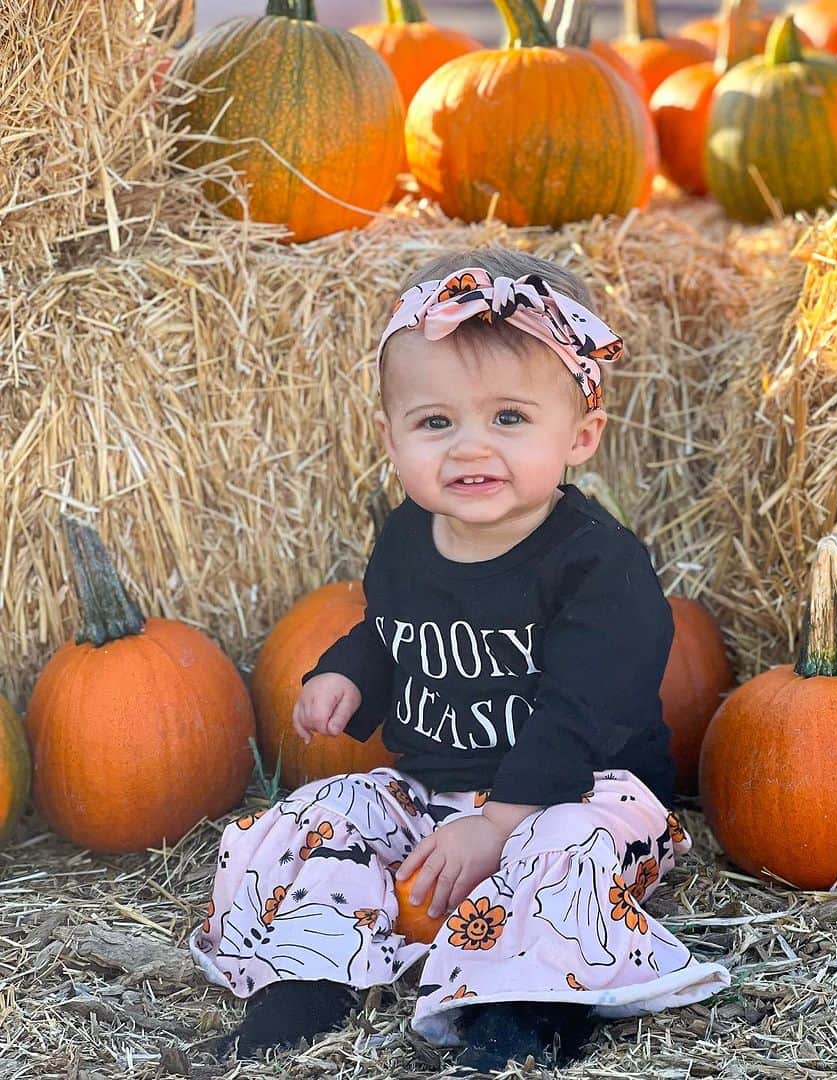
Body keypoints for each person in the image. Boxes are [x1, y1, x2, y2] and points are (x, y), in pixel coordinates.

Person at [189, 248, 731, 1071]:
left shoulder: (599, 567)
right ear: (391, 435)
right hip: (431, 795)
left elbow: (580, 715)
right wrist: (346, 671)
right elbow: (393, 627)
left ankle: (522, 1014)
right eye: (436, 422)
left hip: (575, 794)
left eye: (509, 419)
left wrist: (498, 825)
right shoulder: (409, 538)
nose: (471, 448)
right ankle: (307, 980)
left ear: (581, 435)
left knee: (569, 857)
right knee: (318, 812)